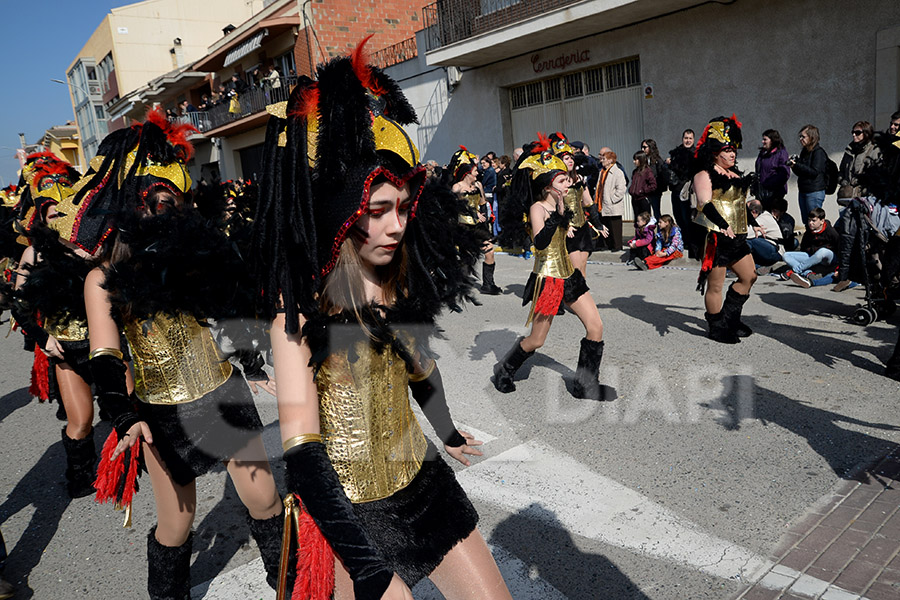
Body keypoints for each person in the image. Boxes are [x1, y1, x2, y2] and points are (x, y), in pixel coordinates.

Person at [252, 42, 512, 599]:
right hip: (348, 515)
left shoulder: (401, 279)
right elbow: (301, 452)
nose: (395, 226)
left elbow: (421, 369)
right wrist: (365, 564)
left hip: (421, 482)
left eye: (402, 207)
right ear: (342, 215)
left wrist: (444, 427)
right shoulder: (296, 312)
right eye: (377, 212)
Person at [64, 111, 285, 599]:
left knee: (265, 498)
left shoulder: (196, 254)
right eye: (158, 201)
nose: (170, 213)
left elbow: (231, 308)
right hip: (161, 412)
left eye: (178, 203)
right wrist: (122, 416)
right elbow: (104, 355)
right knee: (177, 523)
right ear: (131, 204)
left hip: (223, 391)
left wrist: (253, 357)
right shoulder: (102, 278)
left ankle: (290, 584)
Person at [11, 155, 100, 499]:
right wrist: (43, 339)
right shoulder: (33, 255)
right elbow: (19, 306)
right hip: (65, 350)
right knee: (81, 421)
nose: (59, 216)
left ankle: (133, 464)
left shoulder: (88, 246)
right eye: (53, 212)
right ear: (42, 216)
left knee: (133, 407)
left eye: (66, 209)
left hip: (105, 345)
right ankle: (80, 476)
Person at [492, 137, 608, 401]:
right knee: (536, 340)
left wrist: (569, 227)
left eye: (567, 180)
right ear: (548, 186)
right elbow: (540, 241)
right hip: (548, 278)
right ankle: (504, 369)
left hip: (569, 275)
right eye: (562, 181)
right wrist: (556, 217)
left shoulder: (562, 204)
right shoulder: (538, 208)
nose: (568, 183)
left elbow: (563, 233)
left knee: (596, 327)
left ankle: (584, 385)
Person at [693, 115, 757, 344]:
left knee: (749, 276)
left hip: (737, 238)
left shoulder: (735, 175)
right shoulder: (704, 174)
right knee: (716, 285)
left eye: (734, 150)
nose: (733, 154)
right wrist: (722, 225)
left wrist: (755, 223)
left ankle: (730, 317)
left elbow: (739, 204)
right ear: (715, 153)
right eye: (728, 150)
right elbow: (704, 203)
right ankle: (716, 325)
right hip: (715, 238)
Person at [550, 133, 606, 278]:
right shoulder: (556, 182)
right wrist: (565, 225)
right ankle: (572, 298)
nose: (570, 161)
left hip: (582, 228)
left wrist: (598, 224)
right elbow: (553, 207)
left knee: (582, 269)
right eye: (566, 158)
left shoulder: (579, 178)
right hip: (568, 230)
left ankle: (580, 298)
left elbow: (588, 203)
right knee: (574, 271)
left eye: (571, 158)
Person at [450, 147, 501, 294]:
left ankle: (488, 284)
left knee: (489, 250)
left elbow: (483, 202)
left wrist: (484, 217)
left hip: (477, 225)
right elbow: (454, 208)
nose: (478, 173)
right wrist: (473, 213)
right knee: (467, 258)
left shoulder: (478, 185)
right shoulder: (457, 187)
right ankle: (459, 284)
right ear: (467, 174)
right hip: (463, 225)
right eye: (475, 172)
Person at [779, 207, 840, 288]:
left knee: (822, 251)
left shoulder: (830, 231)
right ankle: (807, 273)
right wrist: (811, 250)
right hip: (813, 256)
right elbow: (804, 248)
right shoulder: (808, 231)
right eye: (809, 220)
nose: (810, 223)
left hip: (829, 258)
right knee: (786, 255)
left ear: (822, 221)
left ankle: (794, 271)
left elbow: (840, 247)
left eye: (814, 220)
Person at [790, 124, 828, 225]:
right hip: (803, 190)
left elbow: (814, 172)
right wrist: (794, 166)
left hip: (814, 191)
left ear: (811, 137)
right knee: (807, 221)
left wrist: (797, 165)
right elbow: (801, 172)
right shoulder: (805, 152)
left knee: (814, 221)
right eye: (800, 137)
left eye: (803, 136)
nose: (801, 139)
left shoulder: (818, 152)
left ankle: (819, 240)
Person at [837, 120, 881, 203]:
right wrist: (843, 181)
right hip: (848, 196)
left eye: (857, 133)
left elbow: (876, 175)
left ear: (866, 133)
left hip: (865, 197)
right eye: (853, 132)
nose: (854, 135)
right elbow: (841, 171)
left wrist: (861, 182)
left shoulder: (874, 150)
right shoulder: (849, 150)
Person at [666, 129, 695, 240]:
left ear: (693, 139)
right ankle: (682, 239)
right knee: (677, 215)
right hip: (676, 189)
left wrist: (672, 163)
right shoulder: (676, 152)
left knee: (686, 217)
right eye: (686, 138)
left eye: (690, 138)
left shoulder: (695, 153)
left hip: (687, 191)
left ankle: (689, 240)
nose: (688, 141)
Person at [597, 150, 627, 251]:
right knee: (606, 226)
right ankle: (609, 245)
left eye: (604, 159)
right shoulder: (602, 172)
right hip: (603, 204)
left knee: (615, 227)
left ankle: (617, 246)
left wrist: (612, 199)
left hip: (613, 205)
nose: (602, 161)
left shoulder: (617, 172)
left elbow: (621, 188)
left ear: (610, 160)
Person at [754, 129, 791, 210]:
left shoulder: (781, 153)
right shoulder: (763, 153)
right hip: (762, 192)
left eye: (765, 139)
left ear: (772, 140)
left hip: (774, 193)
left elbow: (784, 174)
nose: (762, 141)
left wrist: (768, 185)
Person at [745, 199, 784, 271]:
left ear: (754, 212)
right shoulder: (760, 217)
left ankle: (743, 267)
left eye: (746, 212)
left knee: (749, 241)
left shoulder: (764, 218)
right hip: (764, 249)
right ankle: (756, 266)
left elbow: (747, 234)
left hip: (775, 252)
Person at [641, 139, 668, 221]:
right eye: (642, 147)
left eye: (645, 147)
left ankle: (660, 231)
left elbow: (662, 175)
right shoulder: (644, 160)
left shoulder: (657, 161)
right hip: (645, 191)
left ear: (650, 147)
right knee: (646, 213)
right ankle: (648, 232)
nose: (643, 149)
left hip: (655, 191)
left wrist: (657, 187)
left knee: (656, 212)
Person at [628, 151, 657, 217]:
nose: (634, 162)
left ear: (641, 159)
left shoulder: (647, 171)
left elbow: (653, 185)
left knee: (645, 218)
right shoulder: (635, 171)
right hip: (635, 199)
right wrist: (631, 190)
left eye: (636, 160)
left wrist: (642, 190)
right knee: (637, 219)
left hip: (643, 199)